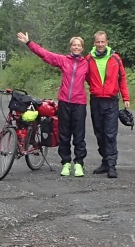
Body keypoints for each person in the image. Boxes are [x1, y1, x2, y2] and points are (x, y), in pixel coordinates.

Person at [16, 32, 89, 177]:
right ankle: (66, 163)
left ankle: (79, 163)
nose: (76, 47)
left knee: (79, 136)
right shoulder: (63, 60)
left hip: (79, 103)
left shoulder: (87, 63)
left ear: (82, 48)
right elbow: (45, 54)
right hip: (64, 102)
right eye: (74, 45)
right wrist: (29, 43)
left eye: (79, 45)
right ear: (70, 47)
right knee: (64, 134)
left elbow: (98, 78)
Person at [86, 31, 130, 179]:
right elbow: (85, 77)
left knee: (110, 134)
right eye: (97, 42)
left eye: (102, 42)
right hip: (96, 100)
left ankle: (111, 166)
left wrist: (126, 97)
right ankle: (105, 162)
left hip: (111, 101)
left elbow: (122, 78)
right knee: (99, 133)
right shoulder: (89, 59)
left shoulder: (115, 58)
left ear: (107, 42)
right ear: (94, 43)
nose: (100, 45)